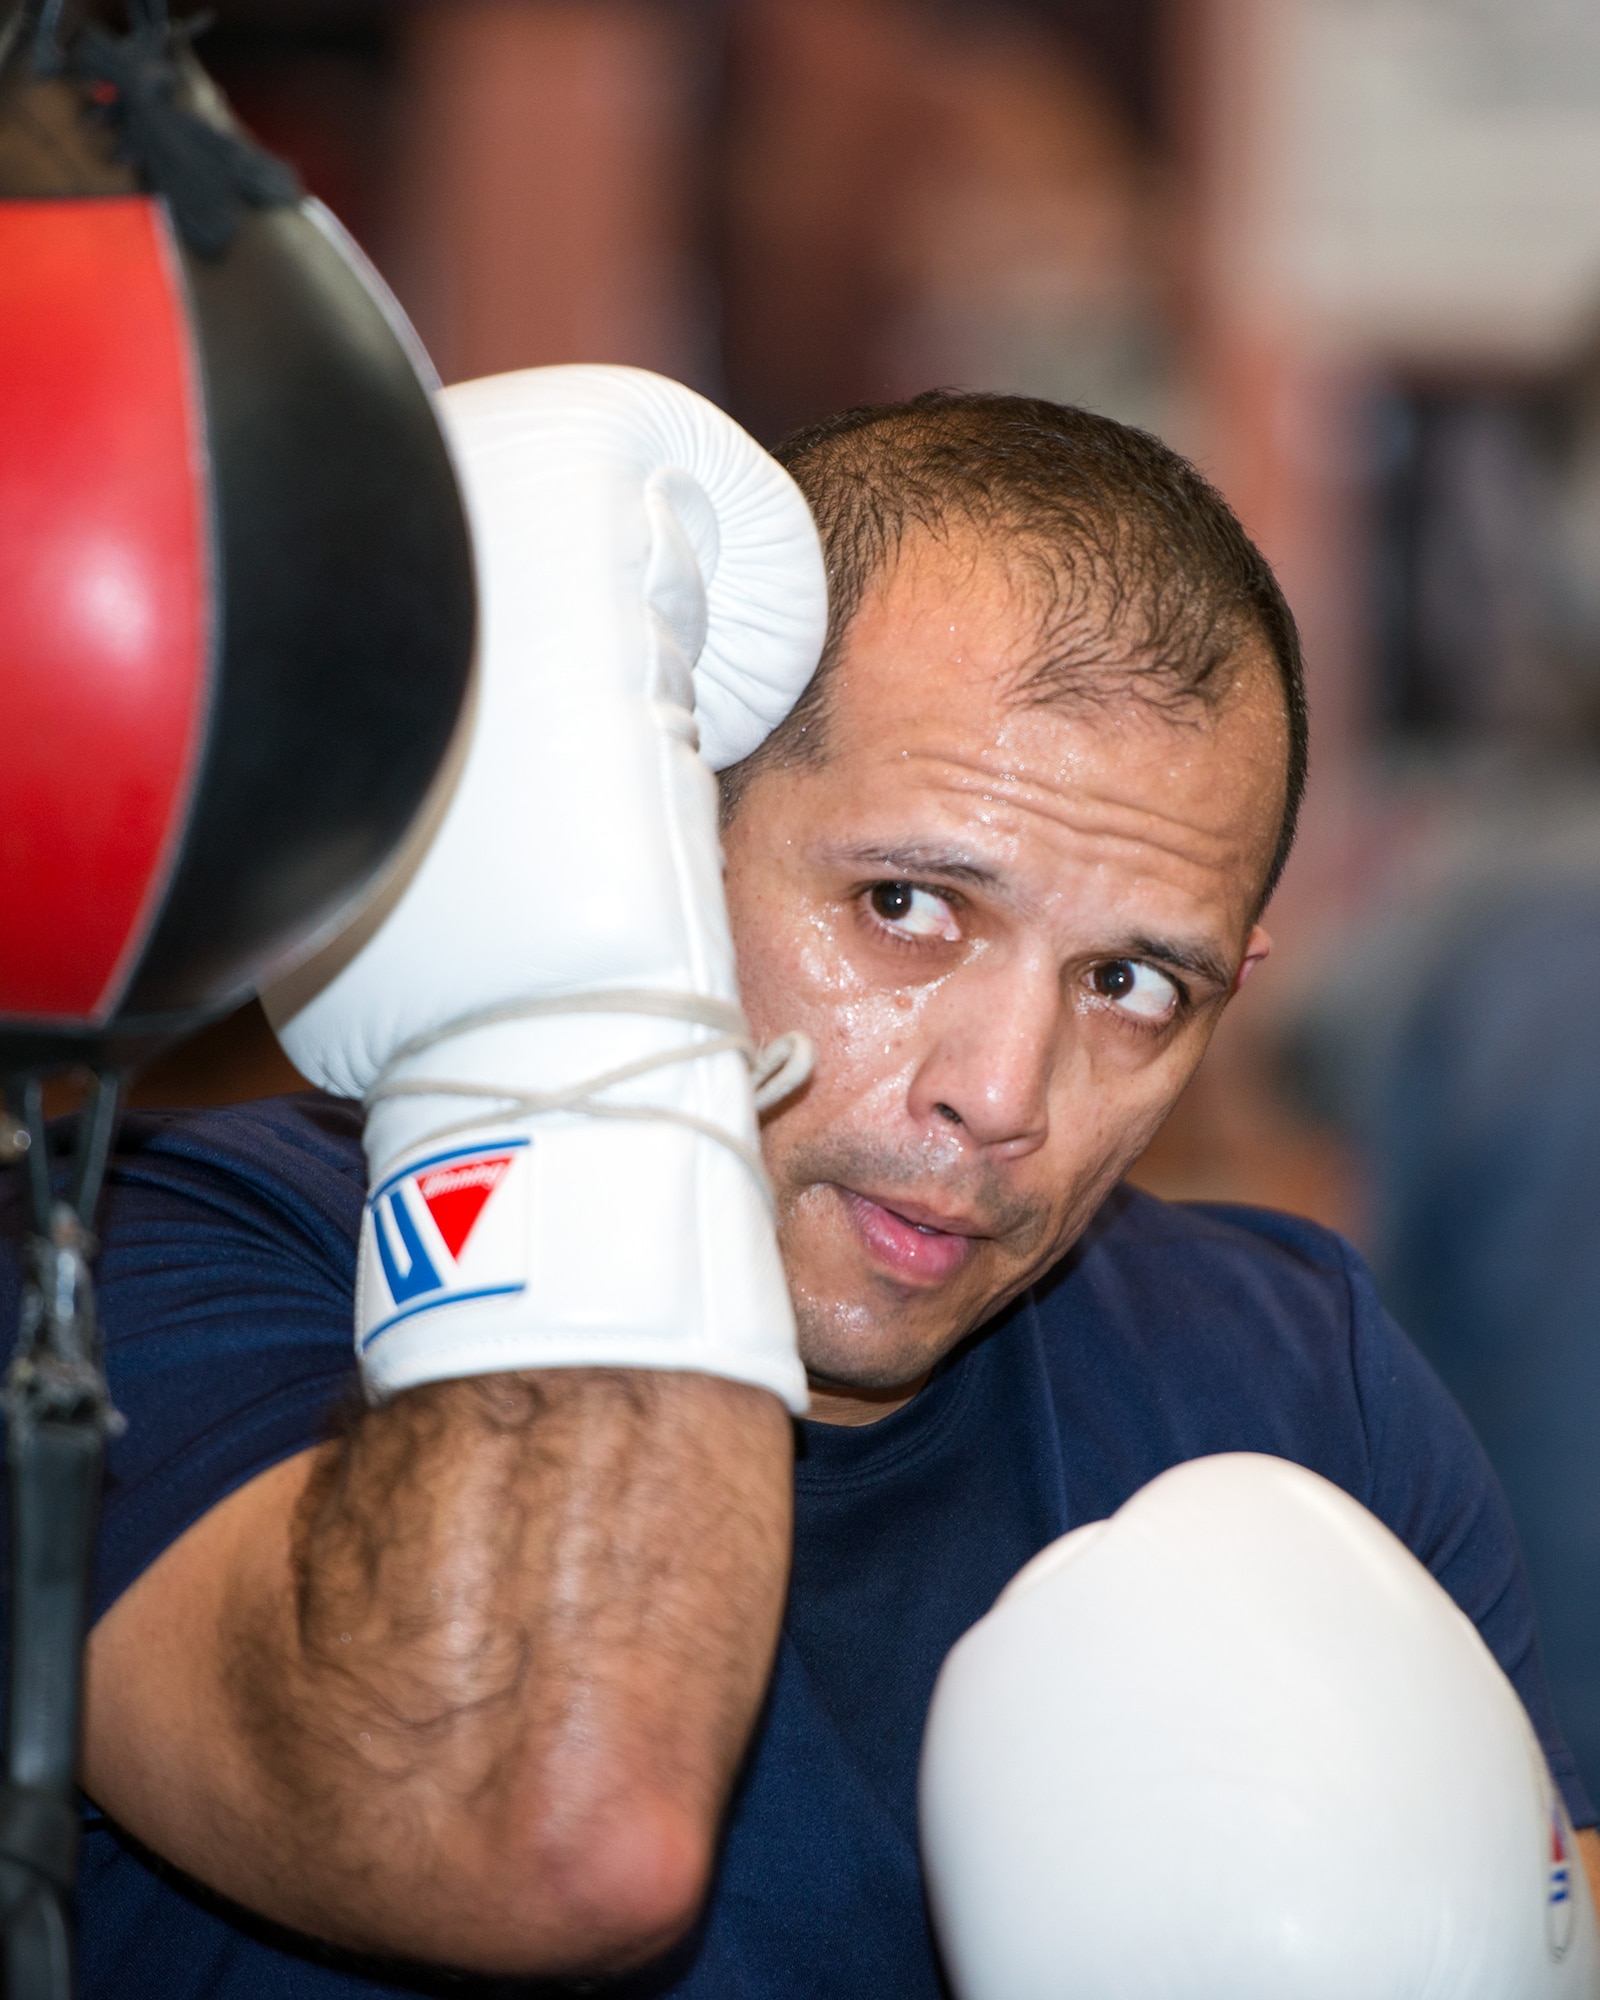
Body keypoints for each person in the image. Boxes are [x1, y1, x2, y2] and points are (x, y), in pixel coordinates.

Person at [2, 386, 1593, 1999]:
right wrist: (571, 1020)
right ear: (666, 834)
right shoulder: (152, 1273)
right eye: (905, 902)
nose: (1003, 1091)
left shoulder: (1288, 1382)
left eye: (1130, 983)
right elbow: (552, 1830)